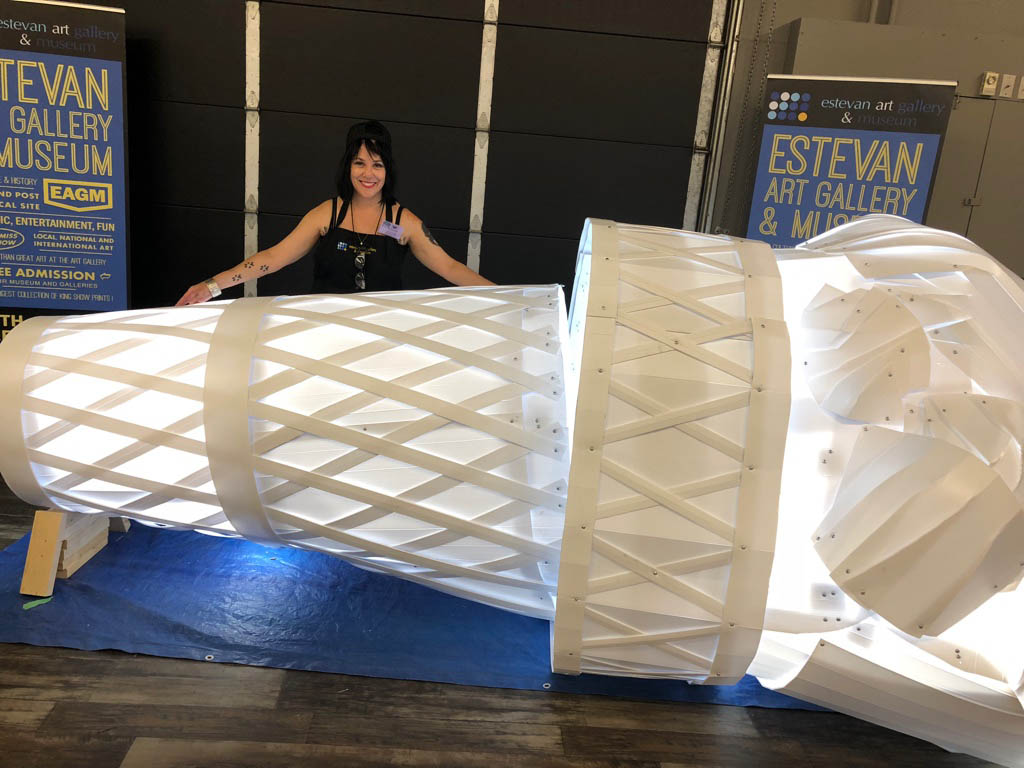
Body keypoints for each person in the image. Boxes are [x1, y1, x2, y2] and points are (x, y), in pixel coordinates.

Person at [176, 120, 492, 305]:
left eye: (377, 164)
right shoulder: (326, 215)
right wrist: (211, 286)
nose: (369, 174)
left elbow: (450, 268)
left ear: (387, 169)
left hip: (384, 335)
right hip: (324, 330)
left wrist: (515, 297)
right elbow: (272, 259)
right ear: (348, 166)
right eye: (360, 163)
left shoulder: (404, 223)